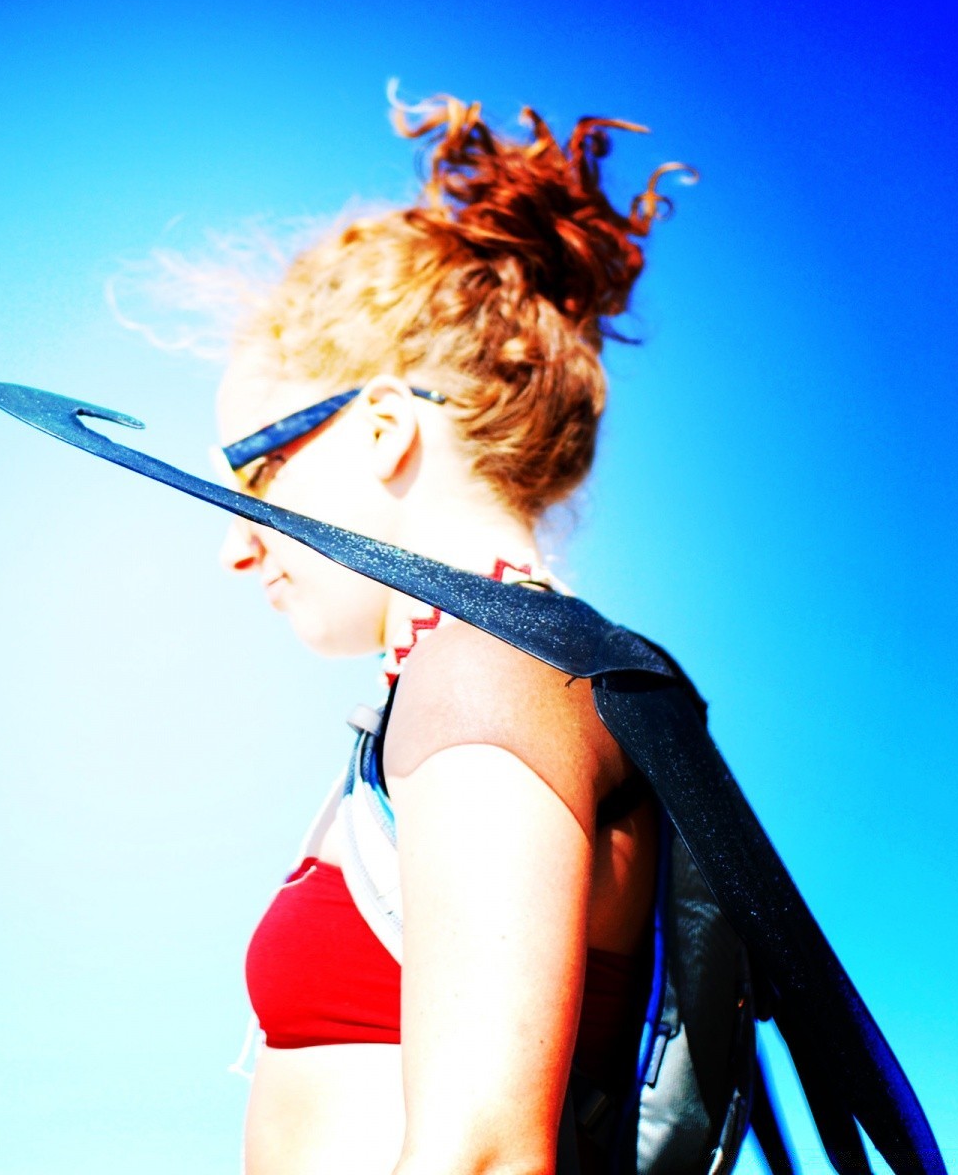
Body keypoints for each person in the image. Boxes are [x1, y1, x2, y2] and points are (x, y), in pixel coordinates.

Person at [210, 92, 691, 1175]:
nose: (238, 544)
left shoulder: (491, 669)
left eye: (254, 480)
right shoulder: (478, 670)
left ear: (382, 430)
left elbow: (483, 1156)